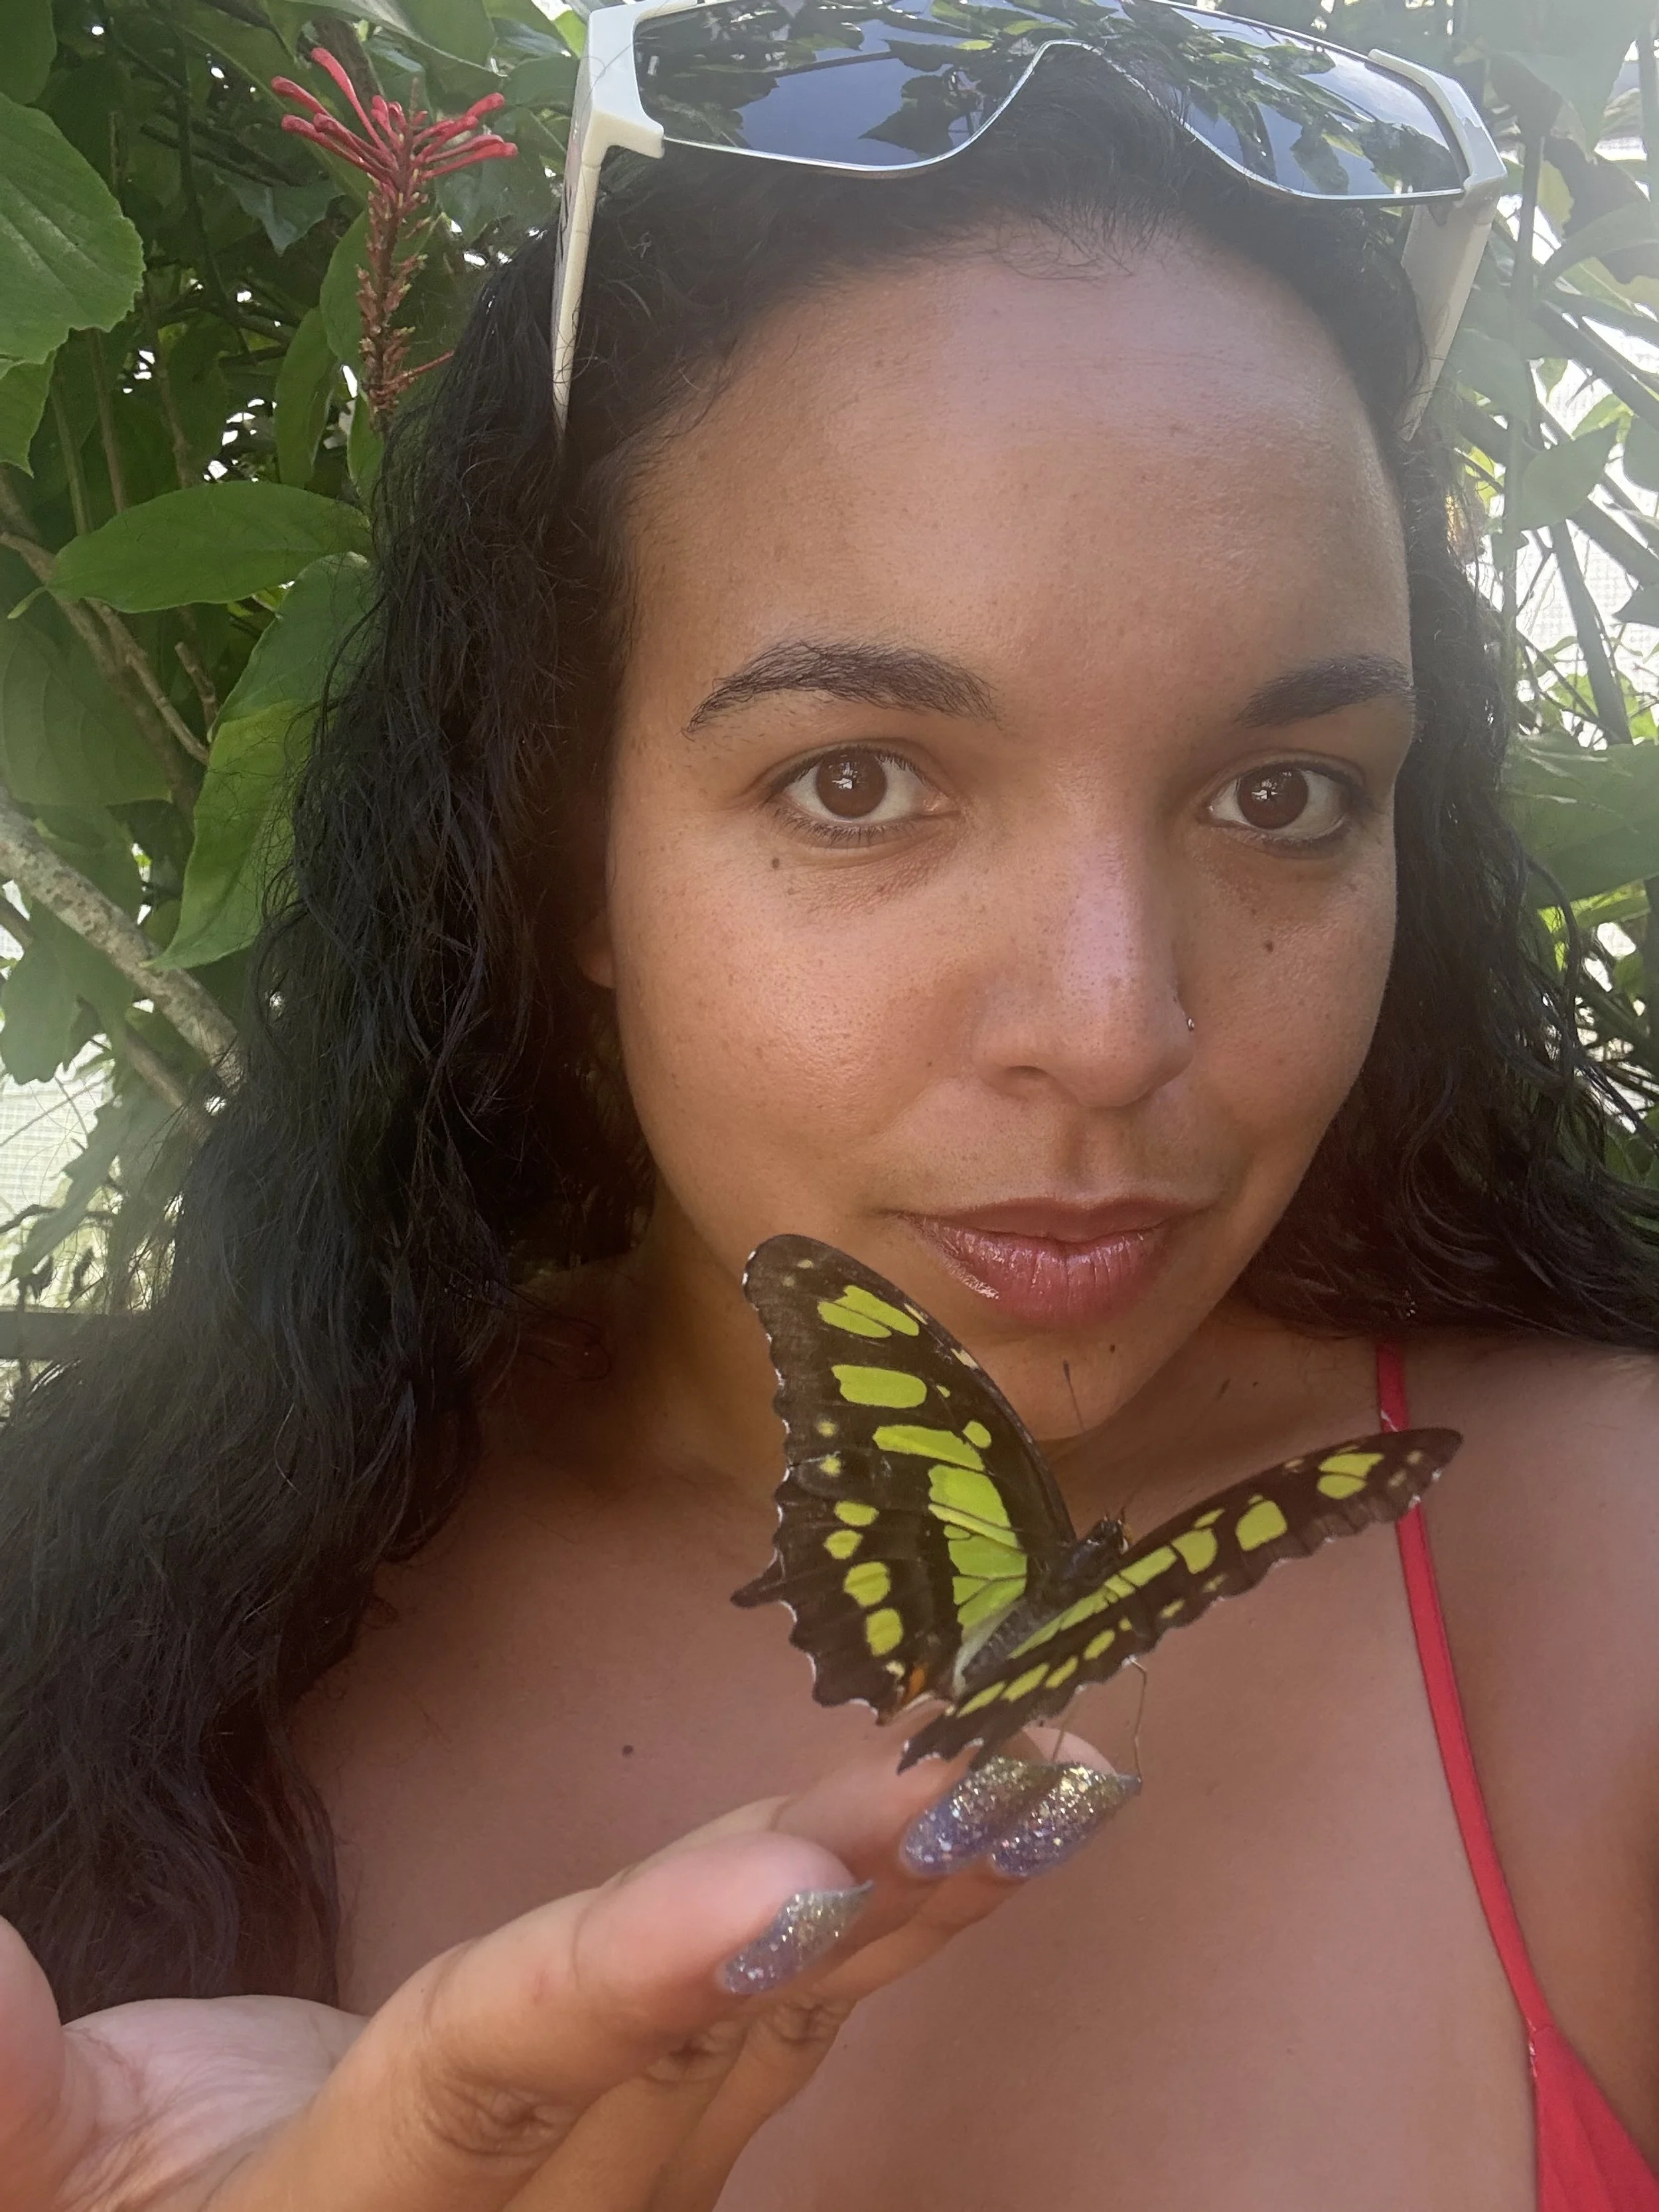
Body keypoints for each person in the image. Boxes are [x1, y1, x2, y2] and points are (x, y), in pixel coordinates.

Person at [1, 26, 1657, 2212]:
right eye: (855, 779)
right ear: (565, 838)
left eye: (1281, 797)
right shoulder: (100, 1634)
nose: (1110, 1024)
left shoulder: (1604, 1574)